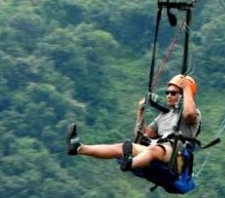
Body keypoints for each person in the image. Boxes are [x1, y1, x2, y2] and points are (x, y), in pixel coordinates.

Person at [65, 74, 201, 173]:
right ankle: (79, 148)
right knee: (121, 147)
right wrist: (140, 112)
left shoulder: (193, 113)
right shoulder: (163, 116)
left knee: (154, 149)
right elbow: (141, 136)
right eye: (167, 93)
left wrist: (186, 88)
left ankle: (131, 163)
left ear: (183, 95)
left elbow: (189, 113)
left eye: (173, 93)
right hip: (158, 150)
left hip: (177, 157)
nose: (168, 96)